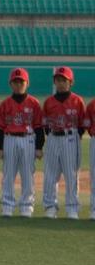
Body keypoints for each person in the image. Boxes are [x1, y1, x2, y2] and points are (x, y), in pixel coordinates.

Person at [0, 68, 44, 218]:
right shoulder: (5, 104)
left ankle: (26, 206)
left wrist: (39, 147)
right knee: (8, 174)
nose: (18, 85)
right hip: (9, 139)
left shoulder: (34, 103)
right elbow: (1, 128)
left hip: (28, 139)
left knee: (28, 175)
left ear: (27, 83)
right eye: (15, 82)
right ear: (10, 84)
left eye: (21, 82)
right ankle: (7, 206)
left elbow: (38, 127)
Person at [40, 66, 85, 220]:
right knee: (50, 174)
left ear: (70, 82)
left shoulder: (77, 101)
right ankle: (50, 207)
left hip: (70, 138)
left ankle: (72, 208)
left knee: (71, 174)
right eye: (58, 80)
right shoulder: (49, 102)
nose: (61, 83)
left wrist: (74, 135)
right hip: (53, 138)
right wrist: (50, 135)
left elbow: (82, 124)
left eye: (64, 80)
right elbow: (44, 123)